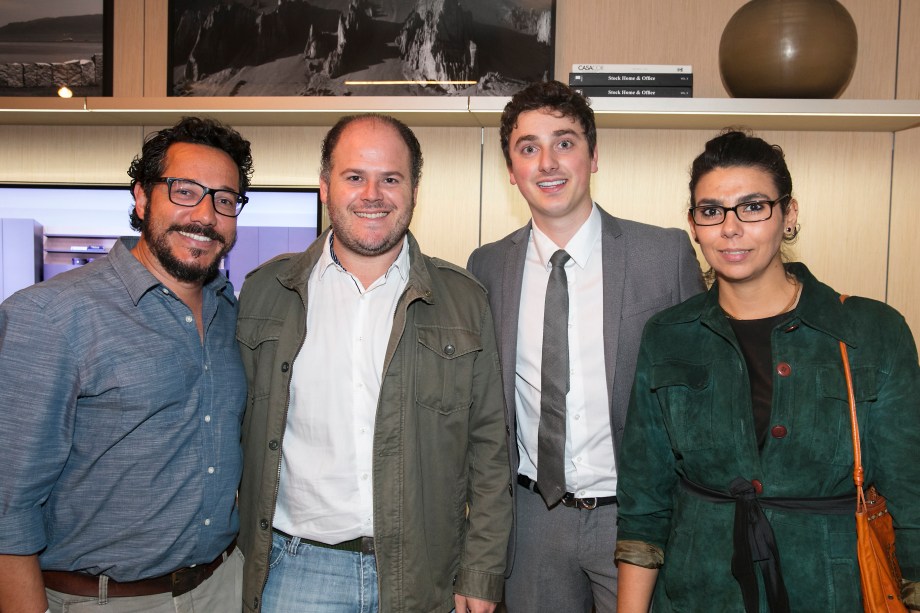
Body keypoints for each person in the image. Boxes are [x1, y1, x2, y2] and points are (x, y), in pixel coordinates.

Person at [615, 130, 920, 612]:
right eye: (711, 211)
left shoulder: (871, 331)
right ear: (694, 225)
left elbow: (911, 492)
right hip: (700, 593)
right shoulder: (668, 335)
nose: (730, 228)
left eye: (753, 207)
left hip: (831, 591)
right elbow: (644, 504)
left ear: (789, 214)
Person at [236, 113, 511, 613]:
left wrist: (481, 571)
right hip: (298, 571)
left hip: (425, 576)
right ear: (324, 187)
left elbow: (491, 452)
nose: (373, 194)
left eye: (390, 178)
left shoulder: (465, 302)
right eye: (354, 176)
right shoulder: (263, 293)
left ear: (413, 189)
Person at [465, 80, 704, 612]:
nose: (548, 162)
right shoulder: (486, 266)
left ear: (593, 156)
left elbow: (701, 397)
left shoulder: (663, 256)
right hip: (532, 520)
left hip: (637, 516)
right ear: (511, 170)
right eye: (529, 148)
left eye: (565, 142)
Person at [0, 116, 252, 612]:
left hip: (223, 588)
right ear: (141, 198)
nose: (205, 215)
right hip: (104, 600)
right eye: (185, 191)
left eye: (225, 199)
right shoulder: (49, 315)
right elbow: (8, 504)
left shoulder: (233, 314)